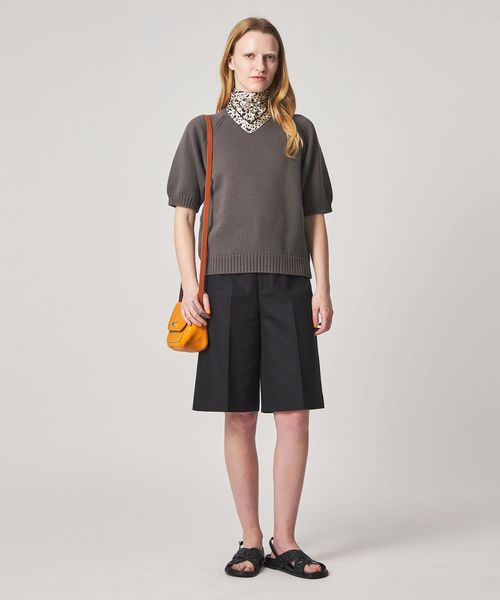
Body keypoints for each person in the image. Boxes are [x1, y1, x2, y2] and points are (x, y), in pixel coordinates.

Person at [166, 17, 334, 579]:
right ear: (231, 61)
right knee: (238, 415)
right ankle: (251, 539)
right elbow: (183, 217)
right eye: (250, 55)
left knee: (294, 417)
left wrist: (323, 288)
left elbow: (315, 217)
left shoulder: (299, 132)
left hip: (288, 285)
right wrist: (191, 285)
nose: (260, 65)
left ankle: (286, 541)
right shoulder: (204, 131)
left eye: (270, 56)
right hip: (225, 288)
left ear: (278, 65)